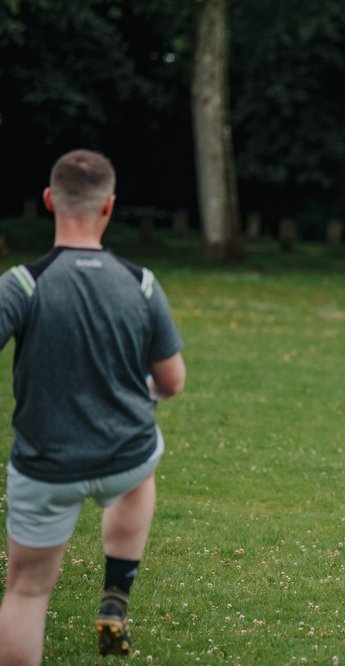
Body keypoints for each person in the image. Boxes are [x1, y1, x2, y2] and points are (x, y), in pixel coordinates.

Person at [0, 149, 186, 663]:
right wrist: (130, 394)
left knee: (27, 593)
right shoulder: (141, 284)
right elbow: (172, 382)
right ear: (109, 206)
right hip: (122, 457)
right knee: (141, 469)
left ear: (47, 201)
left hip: (45, 466)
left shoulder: (22, 284)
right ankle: (115, 594)